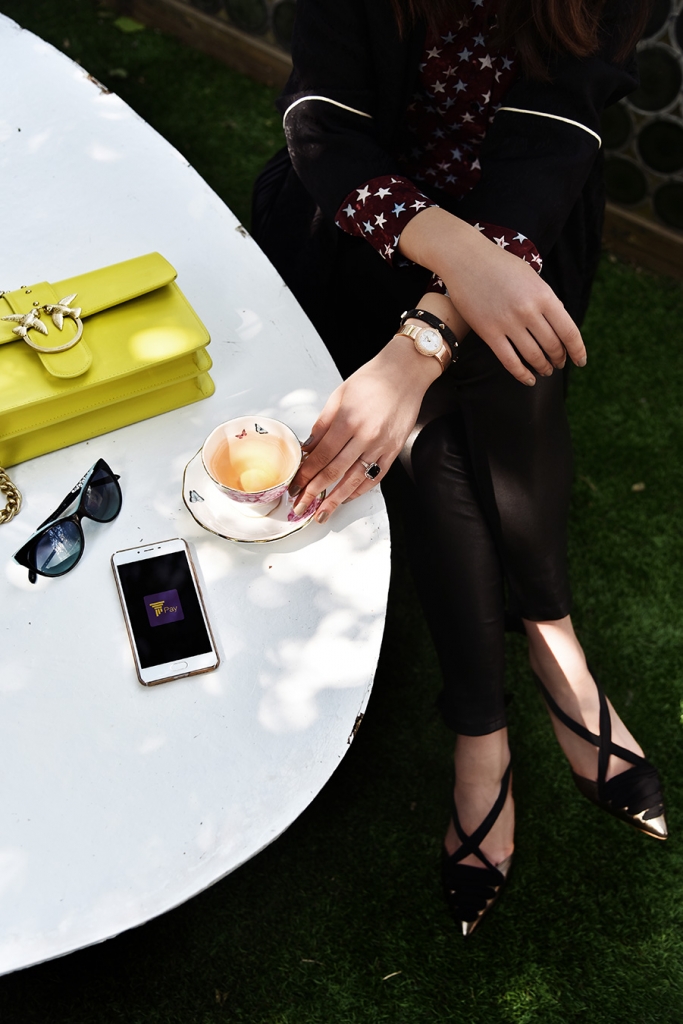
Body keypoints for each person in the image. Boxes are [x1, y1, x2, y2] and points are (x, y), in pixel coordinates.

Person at [252, 0, 666, 935]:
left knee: (495, 365)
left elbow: (550, 142)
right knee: (450, 420)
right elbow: (323, 127)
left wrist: (424, 342)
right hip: (359, 228)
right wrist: (450, 279)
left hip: (525, 221)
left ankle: (492, 721)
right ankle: (544, 664)